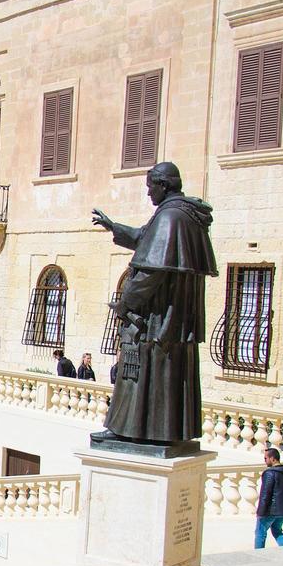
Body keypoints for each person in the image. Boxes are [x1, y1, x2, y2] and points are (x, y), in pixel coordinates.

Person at [90, 162, 218, 448]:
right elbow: (146, 240)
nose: (148, 193)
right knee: (166, 376)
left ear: (163, 185)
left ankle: (125, 429)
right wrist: (114, 227)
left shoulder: (170, 217)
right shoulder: (183, 215)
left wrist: (126, 303)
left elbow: (151, 271)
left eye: (151, 187)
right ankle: (166, 430)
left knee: (140, 374)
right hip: (174, 321)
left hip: (157, 320)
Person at [254, 447, 283, 548]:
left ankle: (258, 558)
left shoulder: (269, 473)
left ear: (272, 458)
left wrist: (260, 512)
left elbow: (265, 494)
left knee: (260, 533)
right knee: (277, 530)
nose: (265, 461)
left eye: (265, 458)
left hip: (270, 511)